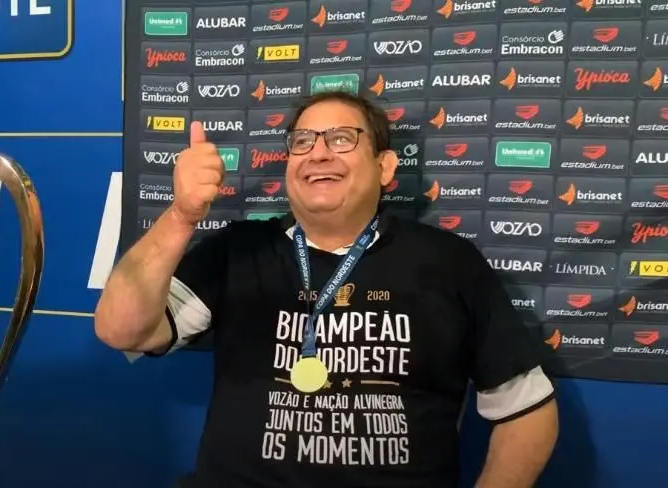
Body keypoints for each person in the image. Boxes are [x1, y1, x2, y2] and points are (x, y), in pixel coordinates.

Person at [95, 91, 558, 488]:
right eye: (303, 141)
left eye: (341, 139)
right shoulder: (237, 250)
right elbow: (120, 330)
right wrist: (182, 216)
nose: (318, 153)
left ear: (384, 167)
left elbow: (528, 412)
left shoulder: (449, 262)